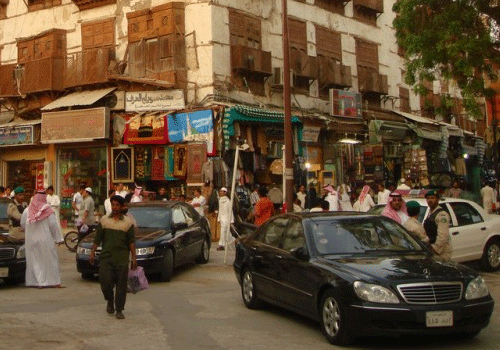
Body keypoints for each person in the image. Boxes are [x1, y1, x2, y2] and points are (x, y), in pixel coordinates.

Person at [89, 195, 137, 320]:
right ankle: (109, 300)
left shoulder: (128, 223)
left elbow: (131, 242)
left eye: (117, 205)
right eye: (113, 205)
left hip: (121, 259)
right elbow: (97, 238)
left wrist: (134, 259)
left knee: (121, 286)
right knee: (105, 283)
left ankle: (119, 309)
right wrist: (92, 252)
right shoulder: (104, 220)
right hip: (106, 258)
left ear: (122, 207)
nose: (115, 207)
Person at [20, 190, 64, 288]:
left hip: (31, 240)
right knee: (50, 260)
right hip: (45, 240)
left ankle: (36, 282)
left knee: (34, 261)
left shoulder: (27, 210)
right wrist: (58, 238)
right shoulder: (48, 210)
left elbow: (23, 224)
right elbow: (53, 226)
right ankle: (51, 282)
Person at [423, 190, 452, 261]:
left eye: (432, 198)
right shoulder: (430, 213)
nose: (430, 200)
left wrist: (434, 249)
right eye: (428, 198)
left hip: (440, 252)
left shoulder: (442, 215)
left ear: (438, 199)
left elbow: (443, 235)